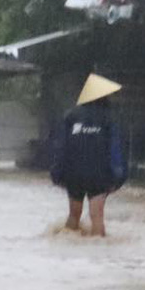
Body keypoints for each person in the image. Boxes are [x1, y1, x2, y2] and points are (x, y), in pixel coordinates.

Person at [51, 73, 127, 236]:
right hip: (99, 175)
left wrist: (57, 173)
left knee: (73, 216)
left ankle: (66, 247)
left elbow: (61, 147)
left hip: (74, 174)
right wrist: (119, 177)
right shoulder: (109, 119)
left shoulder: (70, 116)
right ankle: (98, 254)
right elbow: (115, 150)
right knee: (97, 217)